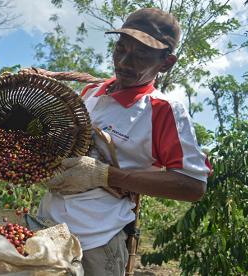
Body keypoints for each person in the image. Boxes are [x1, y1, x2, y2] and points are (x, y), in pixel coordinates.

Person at [35, 7, 212, 276]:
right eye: (121, 49)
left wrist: (105, 175)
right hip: (46, 226)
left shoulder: (162, 110)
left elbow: (192, 186)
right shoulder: (91, 92)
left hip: (94, 243)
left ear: (166, 63)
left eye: (141, 55)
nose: (125, 62)